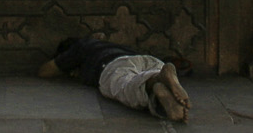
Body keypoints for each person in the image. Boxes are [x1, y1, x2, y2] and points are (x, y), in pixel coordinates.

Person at [38, 35, 190, 121]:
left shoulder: (80, 48)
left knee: (126, 88)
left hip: (113, 66)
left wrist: (68, 68)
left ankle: (153, 81)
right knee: (144, 79)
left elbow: (45, 71)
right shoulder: (108, 44)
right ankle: (159, 80)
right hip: (144, 59)